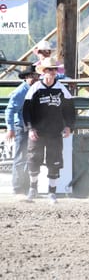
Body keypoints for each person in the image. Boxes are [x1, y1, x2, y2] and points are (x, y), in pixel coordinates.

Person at [23, 57, 76, 204]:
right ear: (43, 72)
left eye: (54, 69)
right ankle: (33, 189)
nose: (52, 72)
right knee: (34, 159)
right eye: (49, 70)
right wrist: (30, 128)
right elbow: (26, 110)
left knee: (54, 161)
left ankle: (51, 192)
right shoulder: (35, 89)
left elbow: (70, 110)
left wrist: (68, 126)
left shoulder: (62, 89)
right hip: (38, 132)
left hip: (54, 131)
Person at [4, 65, 40, 195]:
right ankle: (18, 187)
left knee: (28, 157)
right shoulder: (21, 92)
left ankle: (24, 186)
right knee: (21, 157)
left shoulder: (33, 89)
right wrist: (10, 128)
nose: (34, 78)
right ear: (25, 78)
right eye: (31, 76)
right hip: (22, 127)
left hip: (29, 126)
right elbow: (10, 110)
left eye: (35, 76)